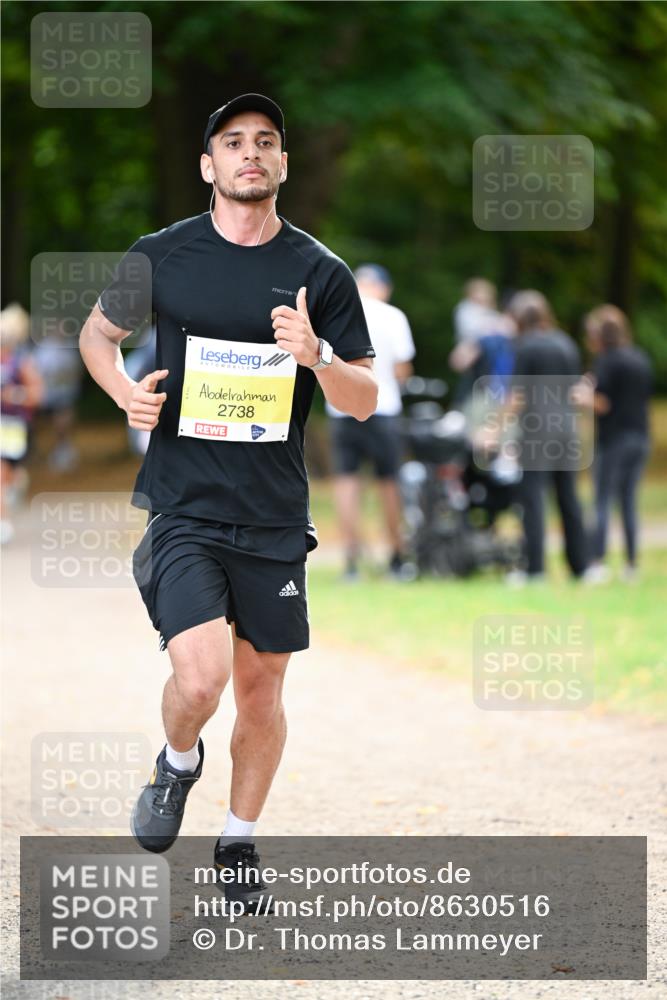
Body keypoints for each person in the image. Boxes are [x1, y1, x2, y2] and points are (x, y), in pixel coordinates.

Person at [79, 94, 378, 911]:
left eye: (267, 142)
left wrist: (316, 355)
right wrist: (122, 395)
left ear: (281, 165)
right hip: (185, 503)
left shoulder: (322, 274)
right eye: (234, 143)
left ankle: (239, 837)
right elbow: (97, 335)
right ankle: (177, 762)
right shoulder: (162, 256)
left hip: (275, 514)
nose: (252, 153)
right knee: (202, 677)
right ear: (208, 165)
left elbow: (361, 398)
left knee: (261, 689)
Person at [326, 263, 415, 579]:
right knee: (389, 482)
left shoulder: (336, 311)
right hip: (383, 408)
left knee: (347, 482)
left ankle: (351, 561)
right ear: (383, 287)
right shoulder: (393, 316)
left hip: (341, 410)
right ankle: (396, 557)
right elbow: (403, 370)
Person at [504, 290, 589, 583]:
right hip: (567, 429)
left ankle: (535, 569)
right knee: (568, 498)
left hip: (536, 431)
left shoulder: (526, 347)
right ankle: (582, 567)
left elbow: (518, 396)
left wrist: (493, 428)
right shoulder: (566, 343)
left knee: (533, 499)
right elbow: (576, 392)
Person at [584, 305, 653, 581]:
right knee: (628, 502)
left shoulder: (607, 361)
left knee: (601, 500)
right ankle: (631, 564)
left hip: (614, 439)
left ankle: (598, 562)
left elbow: (602, 403)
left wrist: (582, 395)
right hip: (641, 437)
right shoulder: (640, 358)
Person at [1, 304, 43, 544]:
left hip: (15, 427)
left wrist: (14, 395)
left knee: (8, 475)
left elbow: (37, 395)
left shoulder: (21, 362)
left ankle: (16, 481)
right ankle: (3, 522)